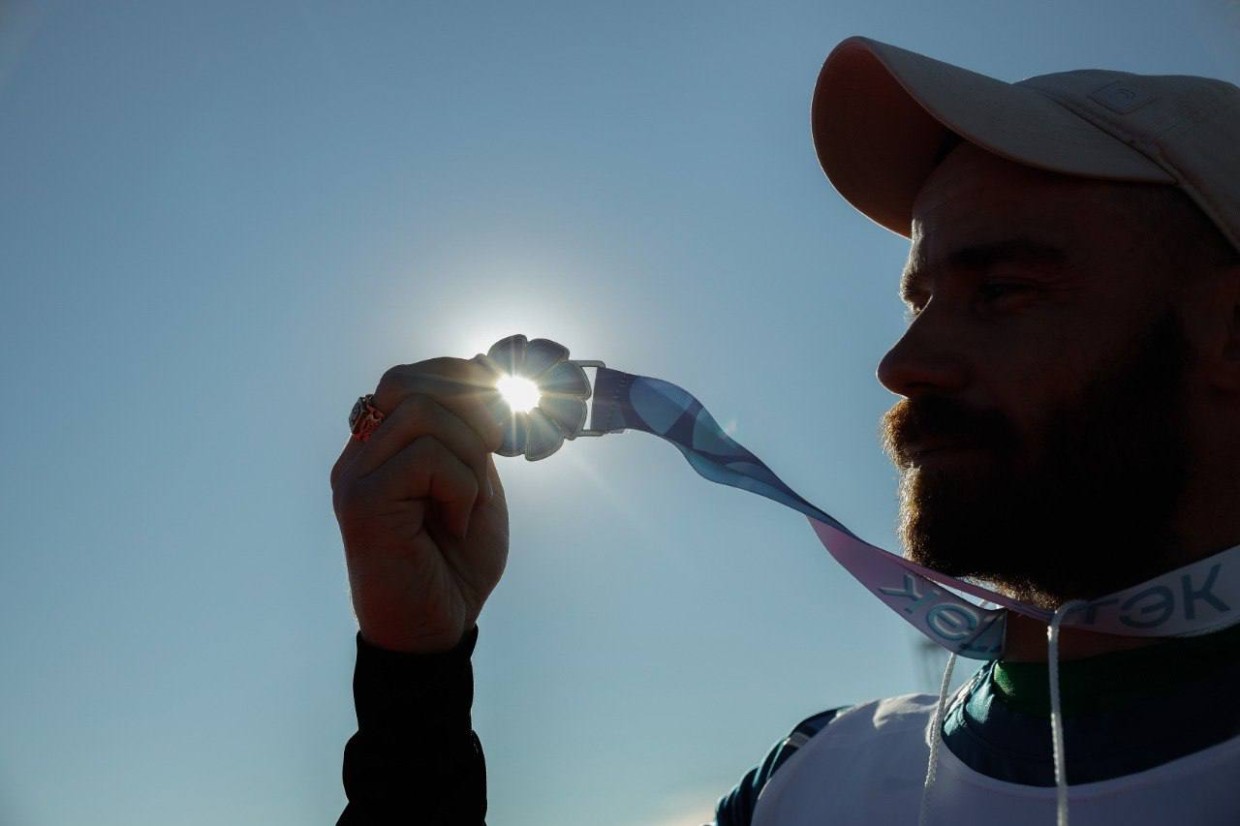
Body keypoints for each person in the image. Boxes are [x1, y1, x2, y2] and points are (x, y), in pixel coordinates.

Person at [329, 36, 1240, 825]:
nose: (899, 365)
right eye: (920, 299)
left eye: (1002, 291)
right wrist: (418, 668)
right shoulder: (808, 786)